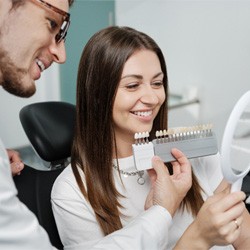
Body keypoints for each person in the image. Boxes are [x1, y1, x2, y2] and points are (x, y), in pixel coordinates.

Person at [0, 1, 193, 249]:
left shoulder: (187, 160)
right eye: (51, 23)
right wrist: (183, 229)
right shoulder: (71, 191)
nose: (61, 55)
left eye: (157, 83)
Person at [51, 26, 250, 250]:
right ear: (98, 94)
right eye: (133, 85)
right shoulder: (72, 192)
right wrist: (199, 237)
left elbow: (244, 236)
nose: (153, 97)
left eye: (157, 83)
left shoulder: (196, 152)